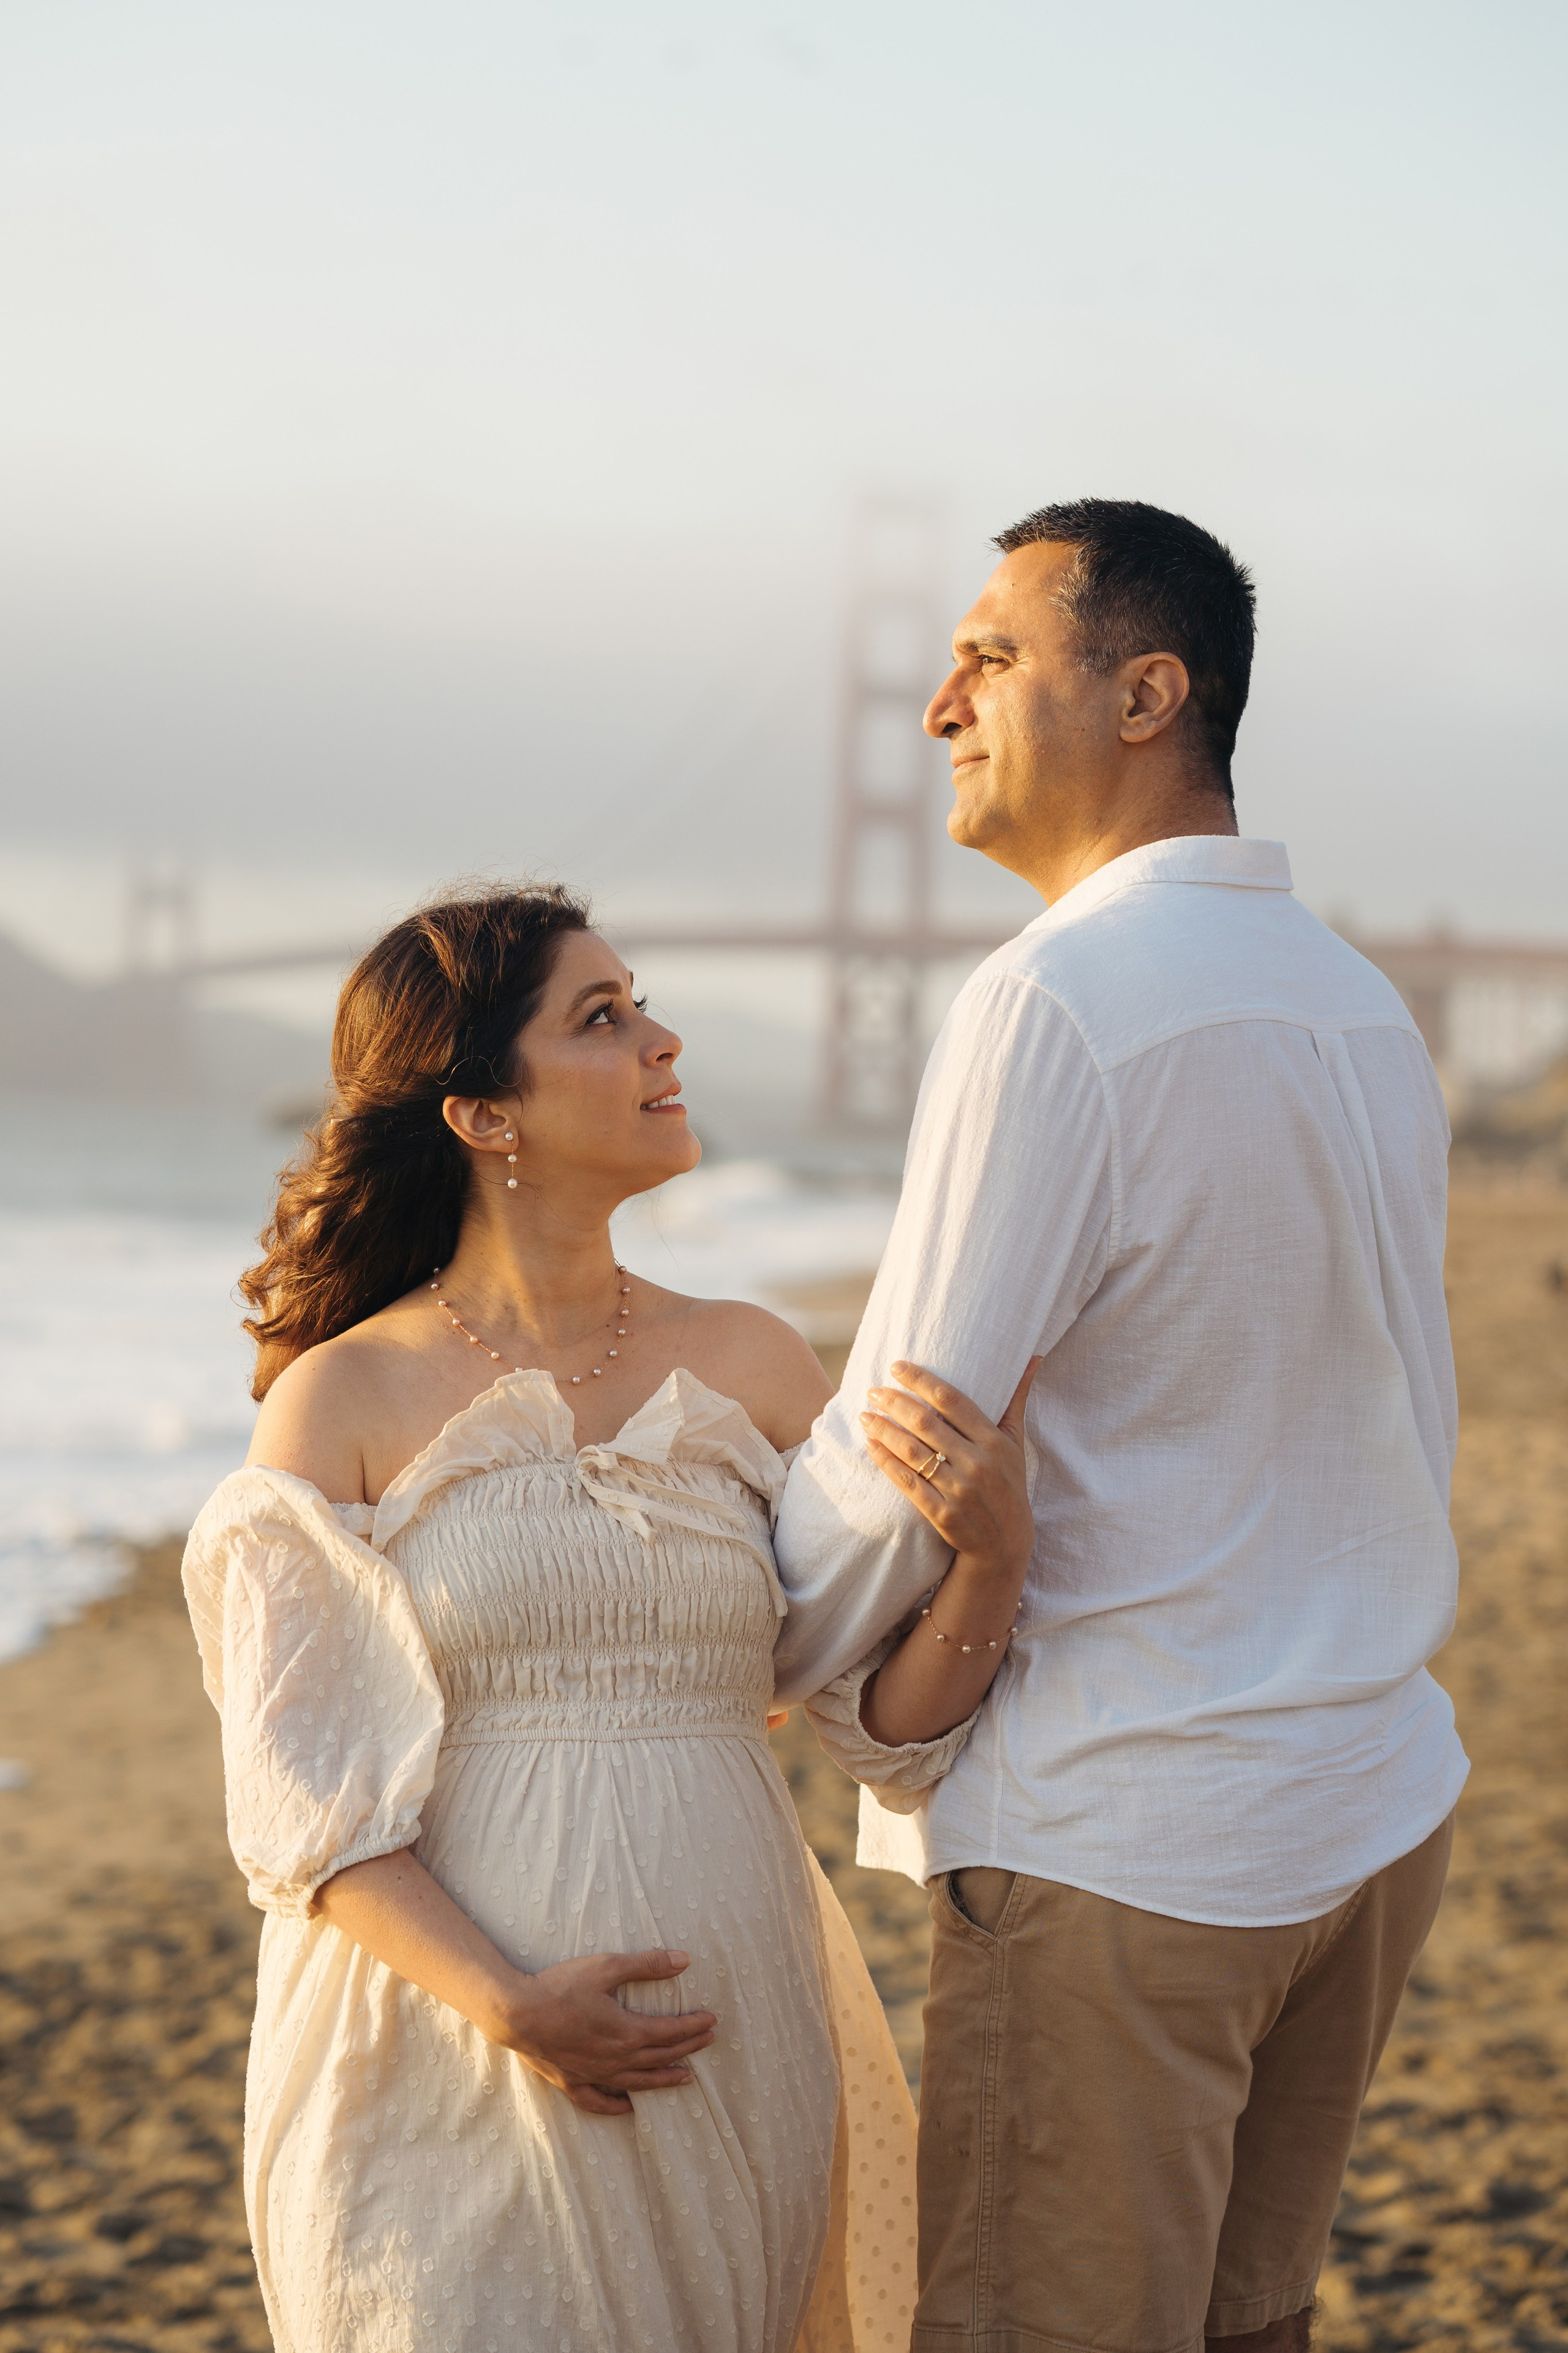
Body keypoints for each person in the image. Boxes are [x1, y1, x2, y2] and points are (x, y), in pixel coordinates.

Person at [774, 499, 1468, 2353]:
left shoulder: (1055, 1003)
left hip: (1131, 1840)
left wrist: (740, 1643)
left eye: (991, 656)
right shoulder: (1360, 1006)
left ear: (1149, 690)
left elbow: (903, 1439)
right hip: (1366, 1808)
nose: (940, 705)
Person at [181, 885, 1036, 2353]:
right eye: (602, 1017)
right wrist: (511, 2003)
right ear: (482, 1115)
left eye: (638, 1003)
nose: (661, 1039)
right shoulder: (345, 1399)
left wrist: (989, 1562)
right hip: (437, 2054)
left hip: (732, 2043)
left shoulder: (754, 1359)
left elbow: (872, 1725)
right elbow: (303, 1810)